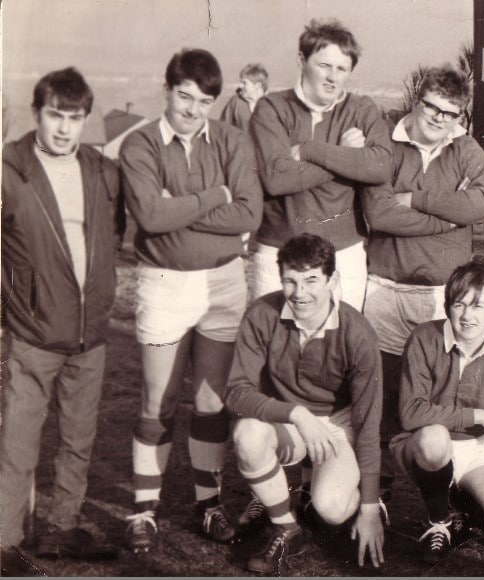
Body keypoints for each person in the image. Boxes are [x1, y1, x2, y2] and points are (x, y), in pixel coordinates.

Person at [119, 48, 263, 551]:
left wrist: (175, 209)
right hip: (164, 282)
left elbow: (249, 214)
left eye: (204, 101)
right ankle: (143, 510)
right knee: (156, 403)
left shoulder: (230, 139)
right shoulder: (139, 144)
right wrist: (213, 197)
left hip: (223, 283)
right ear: (168, 91)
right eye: (184, 96)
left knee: (209, 401)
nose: (192, 109)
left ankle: (208, 504)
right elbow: (151, 219)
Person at [0, 67, 123, 565]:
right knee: (19, 441)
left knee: (78, 438)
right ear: (37, 114)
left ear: (85, 120)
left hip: (89, 334)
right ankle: (5, 540)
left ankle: (61, 527)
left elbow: (112, 235)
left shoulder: (99, 168)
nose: (64, 127)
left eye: (75, 117)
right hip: (33, 332)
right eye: (55, 115)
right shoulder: (10, 170)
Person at [360, 65, 484, 508]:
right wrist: (449, 217)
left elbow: (479, 205)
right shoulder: (386, 142)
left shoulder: (468, 149)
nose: (437, 118)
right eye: (431, 107)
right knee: (382, 396)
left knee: (439, 397)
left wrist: (415, 199)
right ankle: (377, 495)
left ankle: (443, 500)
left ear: (461, 117)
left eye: (449, 113)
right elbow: (378, 215)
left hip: (439, 296)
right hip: (384, 289)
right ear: (418, 100)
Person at [225, 234, 385, 573]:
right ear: (280, 278)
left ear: (333, 280)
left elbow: (368, 422)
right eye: (290, 281)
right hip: (289, 420)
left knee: (333, 509)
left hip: (336, 423)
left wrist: (369, 507)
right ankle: (286, 526)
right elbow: (236, 393)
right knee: (248, 436)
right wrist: (296, 413)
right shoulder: (261, 314)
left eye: (311, 280)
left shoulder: (357, 332)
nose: (300, 293)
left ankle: (353, 498)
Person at [390, 261, 484, 564]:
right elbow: (410, 412)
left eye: (477, 306)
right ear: (448, 307)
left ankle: (463, 502)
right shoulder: (424, 338)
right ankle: (440, 519)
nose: (467, 316)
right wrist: (479, 416)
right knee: (435, 439)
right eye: (459, 304)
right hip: (427, 445)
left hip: (479, 451)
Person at [248, 18, 390, 309]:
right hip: (278, 252)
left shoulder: (361, 109)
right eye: (324, 65)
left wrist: (313, 150)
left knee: (338, 348)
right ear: (302, 60)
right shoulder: (271, 108)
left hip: (343, 255)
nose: (333, 77)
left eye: (342, 69)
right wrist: (345, 156)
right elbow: (276, 177)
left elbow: (380, 167)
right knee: (276, 347)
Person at [219, 63, 268, 131]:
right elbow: (222, 130)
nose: (240, 86)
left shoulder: (272, 105)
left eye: (244, 83)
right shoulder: (236, 102)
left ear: (257, 85)